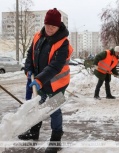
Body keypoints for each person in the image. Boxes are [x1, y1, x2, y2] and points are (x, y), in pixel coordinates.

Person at [18, 8, 73, 153]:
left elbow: (55, 66)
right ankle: (34, 132)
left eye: (53, 26)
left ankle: (56, 141)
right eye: (48, 25)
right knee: (38, 106)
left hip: (57, 82)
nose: (50, 28)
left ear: (58, 26)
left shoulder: (63, 43)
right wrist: (28, 68)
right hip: (40, 80)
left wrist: (40, 79)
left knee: (53, 110)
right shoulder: (38, 35)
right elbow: (30, 54)